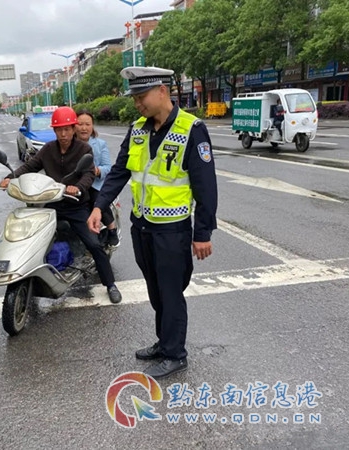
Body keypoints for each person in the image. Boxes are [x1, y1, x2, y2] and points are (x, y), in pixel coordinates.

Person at [87, 67, 218, 378]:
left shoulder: (192, 129)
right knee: (156, 290)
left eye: (141, 96)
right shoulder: (137, 129)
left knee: (171, 293)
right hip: (142, 227)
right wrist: (99, 206)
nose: (137, 104)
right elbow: (119, 171)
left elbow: (206, 186)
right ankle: (165, 341)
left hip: (172, 231)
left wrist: (202, 233)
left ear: (162, 91)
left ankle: (176, 354)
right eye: (133, 98)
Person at [0, 106, 122, 304]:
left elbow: (89, 174)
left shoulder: (84, 149)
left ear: (73, 129)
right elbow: (31, 166)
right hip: (53, 204)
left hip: (76, 205)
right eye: (59, 129)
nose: (63, 134)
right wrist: (10, 177)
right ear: (54, 131)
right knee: (33, 235)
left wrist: (78, 188)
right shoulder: (48, 149)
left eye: (67, 129)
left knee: (94, 244)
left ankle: (110, 285)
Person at [75, 110, 119, 246]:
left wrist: (97, 171)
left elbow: (108, 167)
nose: (84, 128)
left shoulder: (100, 144)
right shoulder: (69, 144)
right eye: (80, 124)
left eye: (87, 124)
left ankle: (112, 229)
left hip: (95, 184)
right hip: (76, 184)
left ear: (92, 126)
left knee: (96, 199)